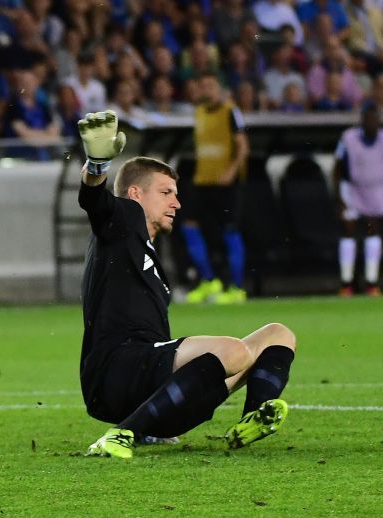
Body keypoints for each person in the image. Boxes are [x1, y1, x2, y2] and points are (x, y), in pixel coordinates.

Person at [76, 110, 297, 459]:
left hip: (154, 392)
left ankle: (253, 417)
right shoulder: (122, 222)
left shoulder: (143, 250)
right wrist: (97, 166)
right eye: (166, 192)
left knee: (278, 334)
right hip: (114, 374)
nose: (176, 203)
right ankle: (123, 433)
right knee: (234, 351)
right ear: (134, 194)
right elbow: (94, 201)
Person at [183, 72, 250, 304]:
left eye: (211, 85)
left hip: (226, 184)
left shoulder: (231, 111)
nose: (207, 90)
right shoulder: (198, 112)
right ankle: (209, 281)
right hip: (203, 181)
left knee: (230, 231)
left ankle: (236, 288)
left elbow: (243, 146)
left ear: (219, 89)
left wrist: (231, 170)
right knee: (188, 225)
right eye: (203, 86)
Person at [334, 102, 383, 296]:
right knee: (348, 231)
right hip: (352, 189)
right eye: (369, 118)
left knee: (373, 230)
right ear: (362, 120)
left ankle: (372, 283)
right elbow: (337, 167)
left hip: (376, 190)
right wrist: (339, 197)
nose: (372, 122)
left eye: (375, 118)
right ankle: (346, 283)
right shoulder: (348, 138)